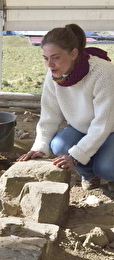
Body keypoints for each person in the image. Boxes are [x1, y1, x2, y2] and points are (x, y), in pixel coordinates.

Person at [18, 23, 114, 191]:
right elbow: (49, 116)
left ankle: (109, 175)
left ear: (74, 54)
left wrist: (76, 157)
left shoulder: (102, 73)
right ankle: (90, 175)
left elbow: (103, 124)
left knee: (105, 168)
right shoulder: (54, 76)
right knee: (59, 146)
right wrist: (40, 146)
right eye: (45, 58)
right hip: (83, 127)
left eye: (55, 57)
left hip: (110, 128)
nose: (49, 64)